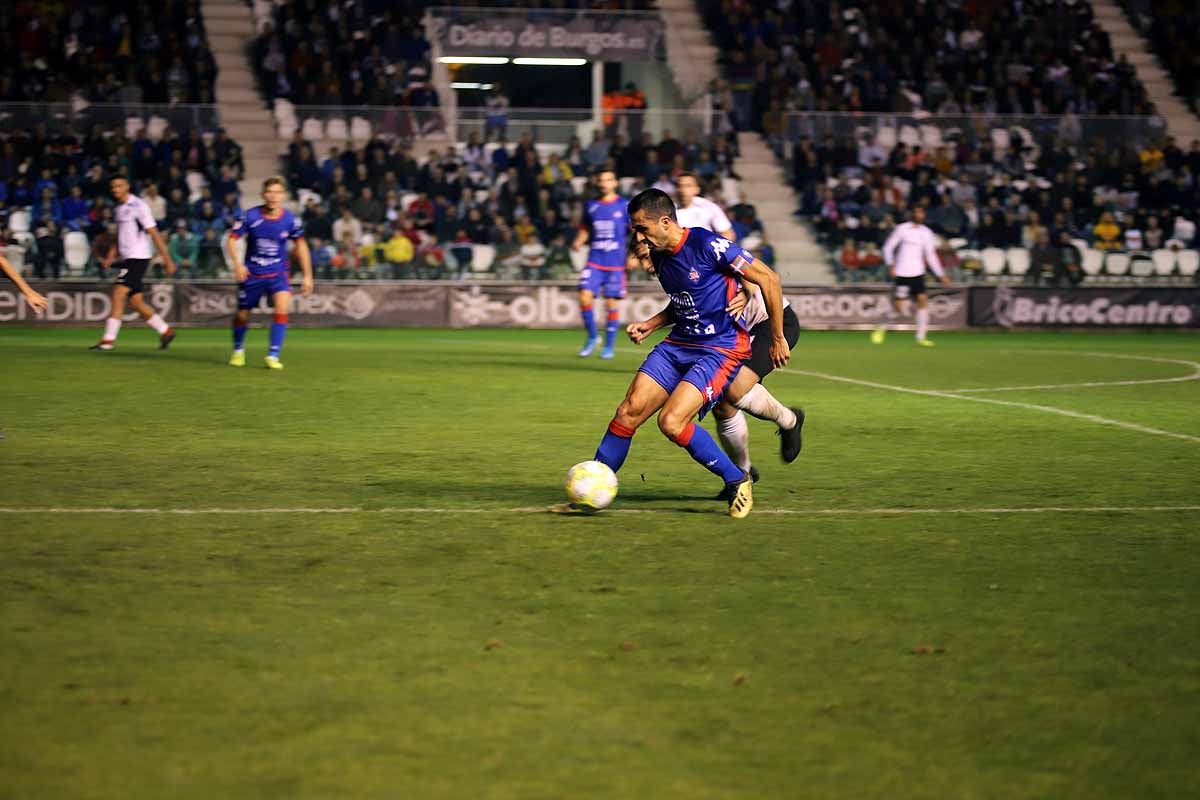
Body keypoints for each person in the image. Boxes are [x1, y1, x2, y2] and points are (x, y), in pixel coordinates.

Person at [578, 189, 790, 519]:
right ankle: (593, 488)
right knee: (628, 412)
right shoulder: (660, 258)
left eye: (641, 227)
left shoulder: (707, 244)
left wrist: (777, 337)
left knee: (672, 421)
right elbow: (684, 302)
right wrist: (652, 324)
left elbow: (769, 279)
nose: (638, 236)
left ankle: (737, 479)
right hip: (679, 345)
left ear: (665, 221)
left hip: (719, 349)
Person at [226, 176, 313, 370]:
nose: (273, 196)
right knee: (242, 315)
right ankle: (238, 350)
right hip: (252, 274)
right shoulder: (250, 216)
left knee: (282, 310)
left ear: (283, 195)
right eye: (270, 192)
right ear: (263, 195)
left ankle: (273, 355)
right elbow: (231, 239)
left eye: (278, 192)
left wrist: (308, 275)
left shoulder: (290, 220)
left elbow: (302, 245)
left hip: (278, 274)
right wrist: (238, 265)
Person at [90, 176, 177, 351]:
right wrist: (111, 255)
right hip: (128, 258)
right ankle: (165, 331)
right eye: (113, 186)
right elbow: (120, 235)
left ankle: (108, 340)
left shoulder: (139, 206)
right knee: (135, 302)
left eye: (119, 186)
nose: (115, 189)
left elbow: (154, 233)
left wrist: (167, 259)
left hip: (138, 257)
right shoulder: (119, 208)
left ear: (127, 187)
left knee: (118, 293)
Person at [871, 207, 952, 347]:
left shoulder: (927, 233)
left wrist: (941, 274)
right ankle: (881, 327)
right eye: (916, 212)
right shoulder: (902, 229)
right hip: (902, 272)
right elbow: (888, 247)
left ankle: (921, 337)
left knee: (922, 300)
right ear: (911, 214)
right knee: (899, 308)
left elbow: (931, 255)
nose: (919, 215)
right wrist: (890, 264)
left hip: (918, 273)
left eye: (921, 212)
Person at [572, 168, 630, 359]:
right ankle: (592, 336)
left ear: (615, 183)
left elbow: (637, 232)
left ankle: (609, 346)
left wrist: (636, 255)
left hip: (615, 264)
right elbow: (585, 228)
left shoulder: (624, 206)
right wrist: (580, 240)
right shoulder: (591, 206)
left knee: (611, 304)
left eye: (608, 180)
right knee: (584, 296)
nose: (604, 183)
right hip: (595, 261)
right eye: (601, 180)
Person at [674, 172, 735, 240]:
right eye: (679, 186)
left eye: (688, 186)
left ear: (697, 189)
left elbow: (728, 234)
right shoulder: (669, 210)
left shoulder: (709, 207)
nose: (683, 190)